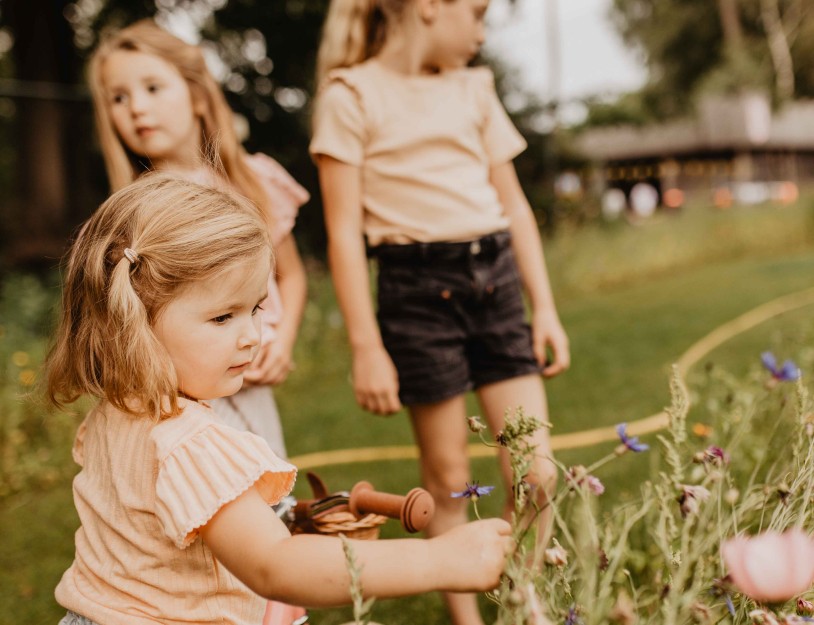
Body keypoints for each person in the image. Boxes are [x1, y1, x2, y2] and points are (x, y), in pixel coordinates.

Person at [45, 174, 512, 625]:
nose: (252, 336)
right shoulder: (192, 444)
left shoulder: (115, 414)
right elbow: (276, 566)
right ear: (134, 323)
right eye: (223, 317)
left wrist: (285, 519)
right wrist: (436, 559)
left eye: (256, 309)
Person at [310, 1, 570, 623]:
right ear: (429, 6)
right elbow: (343, 235)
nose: (482, 31)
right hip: (416, 295)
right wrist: (366, 346)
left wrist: (546, 310)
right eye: (476, 12)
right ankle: (466, 617)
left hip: (496, 284)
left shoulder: (474, 89)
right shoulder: (350, 95)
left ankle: (521, 599)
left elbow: (515, 208)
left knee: (537, 474)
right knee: (449, 472)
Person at [87, 19, 307, 459]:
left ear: (199, 96)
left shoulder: (253, 182)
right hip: (179, 401)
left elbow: (293, 276)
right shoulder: (134, 211)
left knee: (268, 499)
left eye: (153, 88)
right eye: (119, 97)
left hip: (251, 382)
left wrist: (280, 344)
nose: (136, 108)